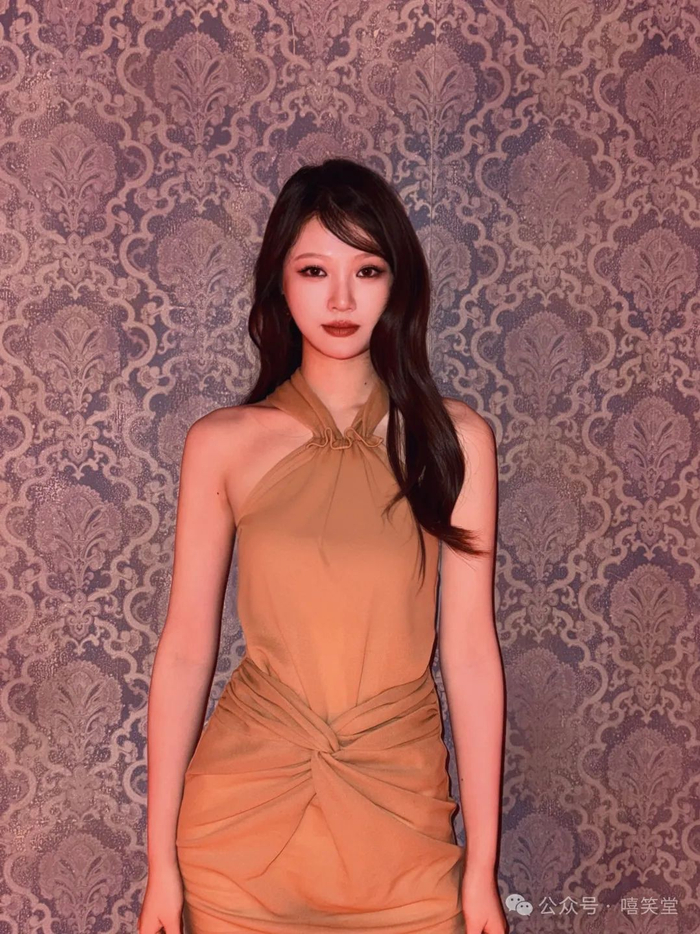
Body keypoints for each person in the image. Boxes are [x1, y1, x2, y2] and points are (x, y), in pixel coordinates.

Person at [138, 158, 507, 934]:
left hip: (401, 824)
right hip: (239, 835)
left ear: (397, 284)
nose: (341, 299)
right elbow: (185, 650)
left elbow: (472, 655)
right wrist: (159, 867)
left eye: (366, 270)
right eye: (314, 270)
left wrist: (481, 873)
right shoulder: (222, 444)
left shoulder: (455, 441)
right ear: (280, 282)